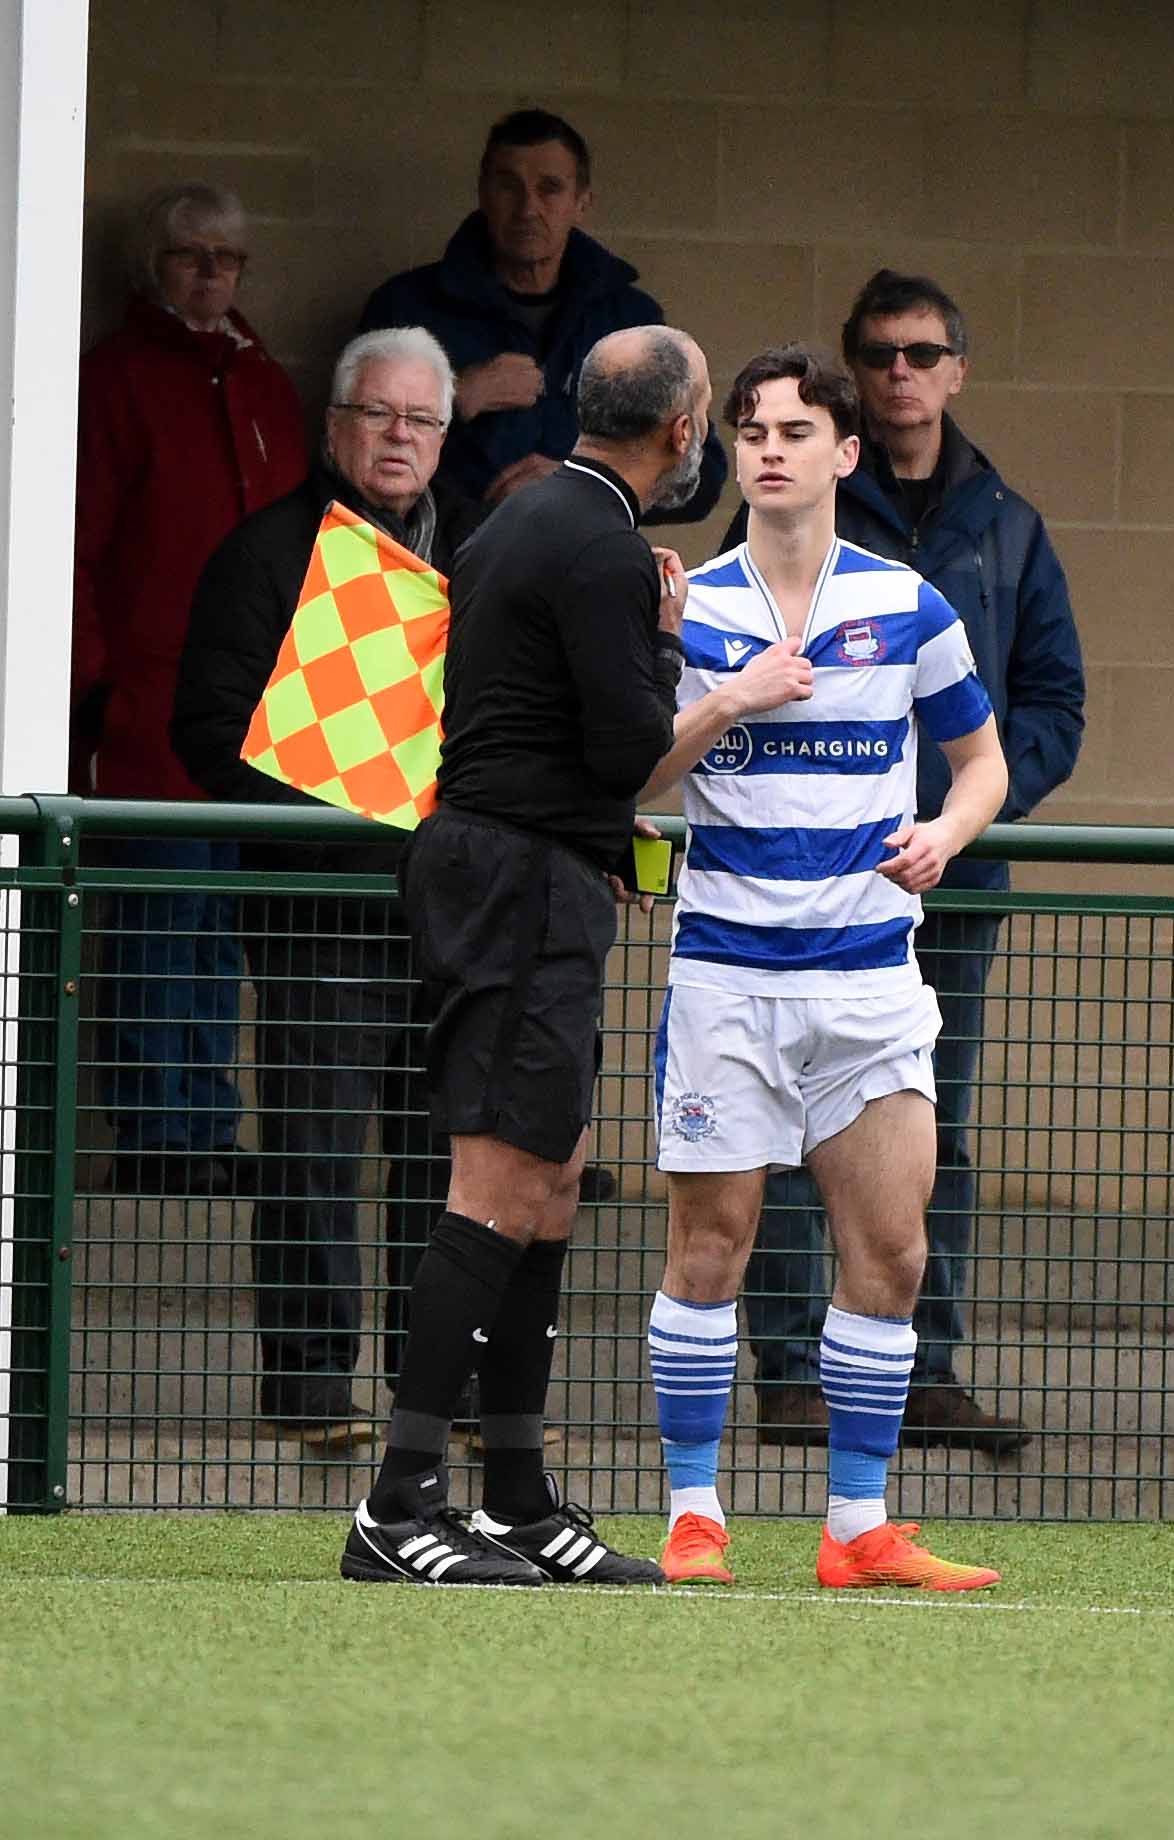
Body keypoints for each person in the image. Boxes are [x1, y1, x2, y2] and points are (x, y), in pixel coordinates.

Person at [341, 324, 757, 1587]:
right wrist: (685, 655)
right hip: (517, 888)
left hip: (517, 868)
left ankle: (517, 1499)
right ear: (680, 430)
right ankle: (396, 1506)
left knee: (556, 1177)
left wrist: (595, 835)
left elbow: (527, 734)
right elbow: (627, 749)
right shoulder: (606, 549)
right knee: (497, 1184)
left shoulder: (513, 520)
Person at [645, 343, 1009, 1590]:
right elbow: (629, 771)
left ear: (844, 453)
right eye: (749, 430)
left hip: (867, 981)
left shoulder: (909, 604)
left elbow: (981, 763)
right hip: (725, 978)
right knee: (710, 1249)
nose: (769, 449)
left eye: (795, 431)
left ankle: (856, 1526)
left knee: (891, 1253)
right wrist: (726, 700)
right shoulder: (689, 604)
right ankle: (693, 1516)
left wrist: (944, 835)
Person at [729, 274, 1085, 1456]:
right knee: (794, 1120)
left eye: (921, 353)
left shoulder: (1007, 523)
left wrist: (960, 815)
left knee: (937, 1125)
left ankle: (923, 1370)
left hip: (951, 881)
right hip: (809, 877)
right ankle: (792, 1373)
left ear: (955, 371)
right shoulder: (796, 497)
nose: (898, 372)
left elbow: (1053, 705)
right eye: (877, 353)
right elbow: (730, 684)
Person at [172, 326, 480, 1445]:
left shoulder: (477, 555)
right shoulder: (265, 554)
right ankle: (308, 1390)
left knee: (442, 1161)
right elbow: (207, 729)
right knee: (312, 1150)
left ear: (443, 437)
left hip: (449, 911)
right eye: (377, 414)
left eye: (421, 419)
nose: (399, 436)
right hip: (318, 908)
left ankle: (431, 1393)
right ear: (335, 423)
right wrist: (351, 798)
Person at [73, 182, 308, 1196]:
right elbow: (77, 545)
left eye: (228, 257)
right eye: (189, 255)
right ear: (153, 266)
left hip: (259, 711)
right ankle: (156, 1132)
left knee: (220, 927)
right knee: (157, 916)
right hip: (149, 702)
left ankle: (207, 1123)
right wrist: (91, 684)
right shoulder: (115, 378)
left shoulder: (264, 384)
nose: (211, 272)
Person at [358, 106, 726, 525]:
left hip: (583, 555)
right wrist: (450, 398)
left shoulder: (629, 321)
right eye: (508, 187)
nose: (527, 208)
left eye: (549, 189)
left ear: (581, 203)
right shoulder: (407, 308)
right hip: (438, 554)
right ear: (483, 193)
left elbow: (703, 476)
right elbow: (349, 455)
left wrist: (586, 484)